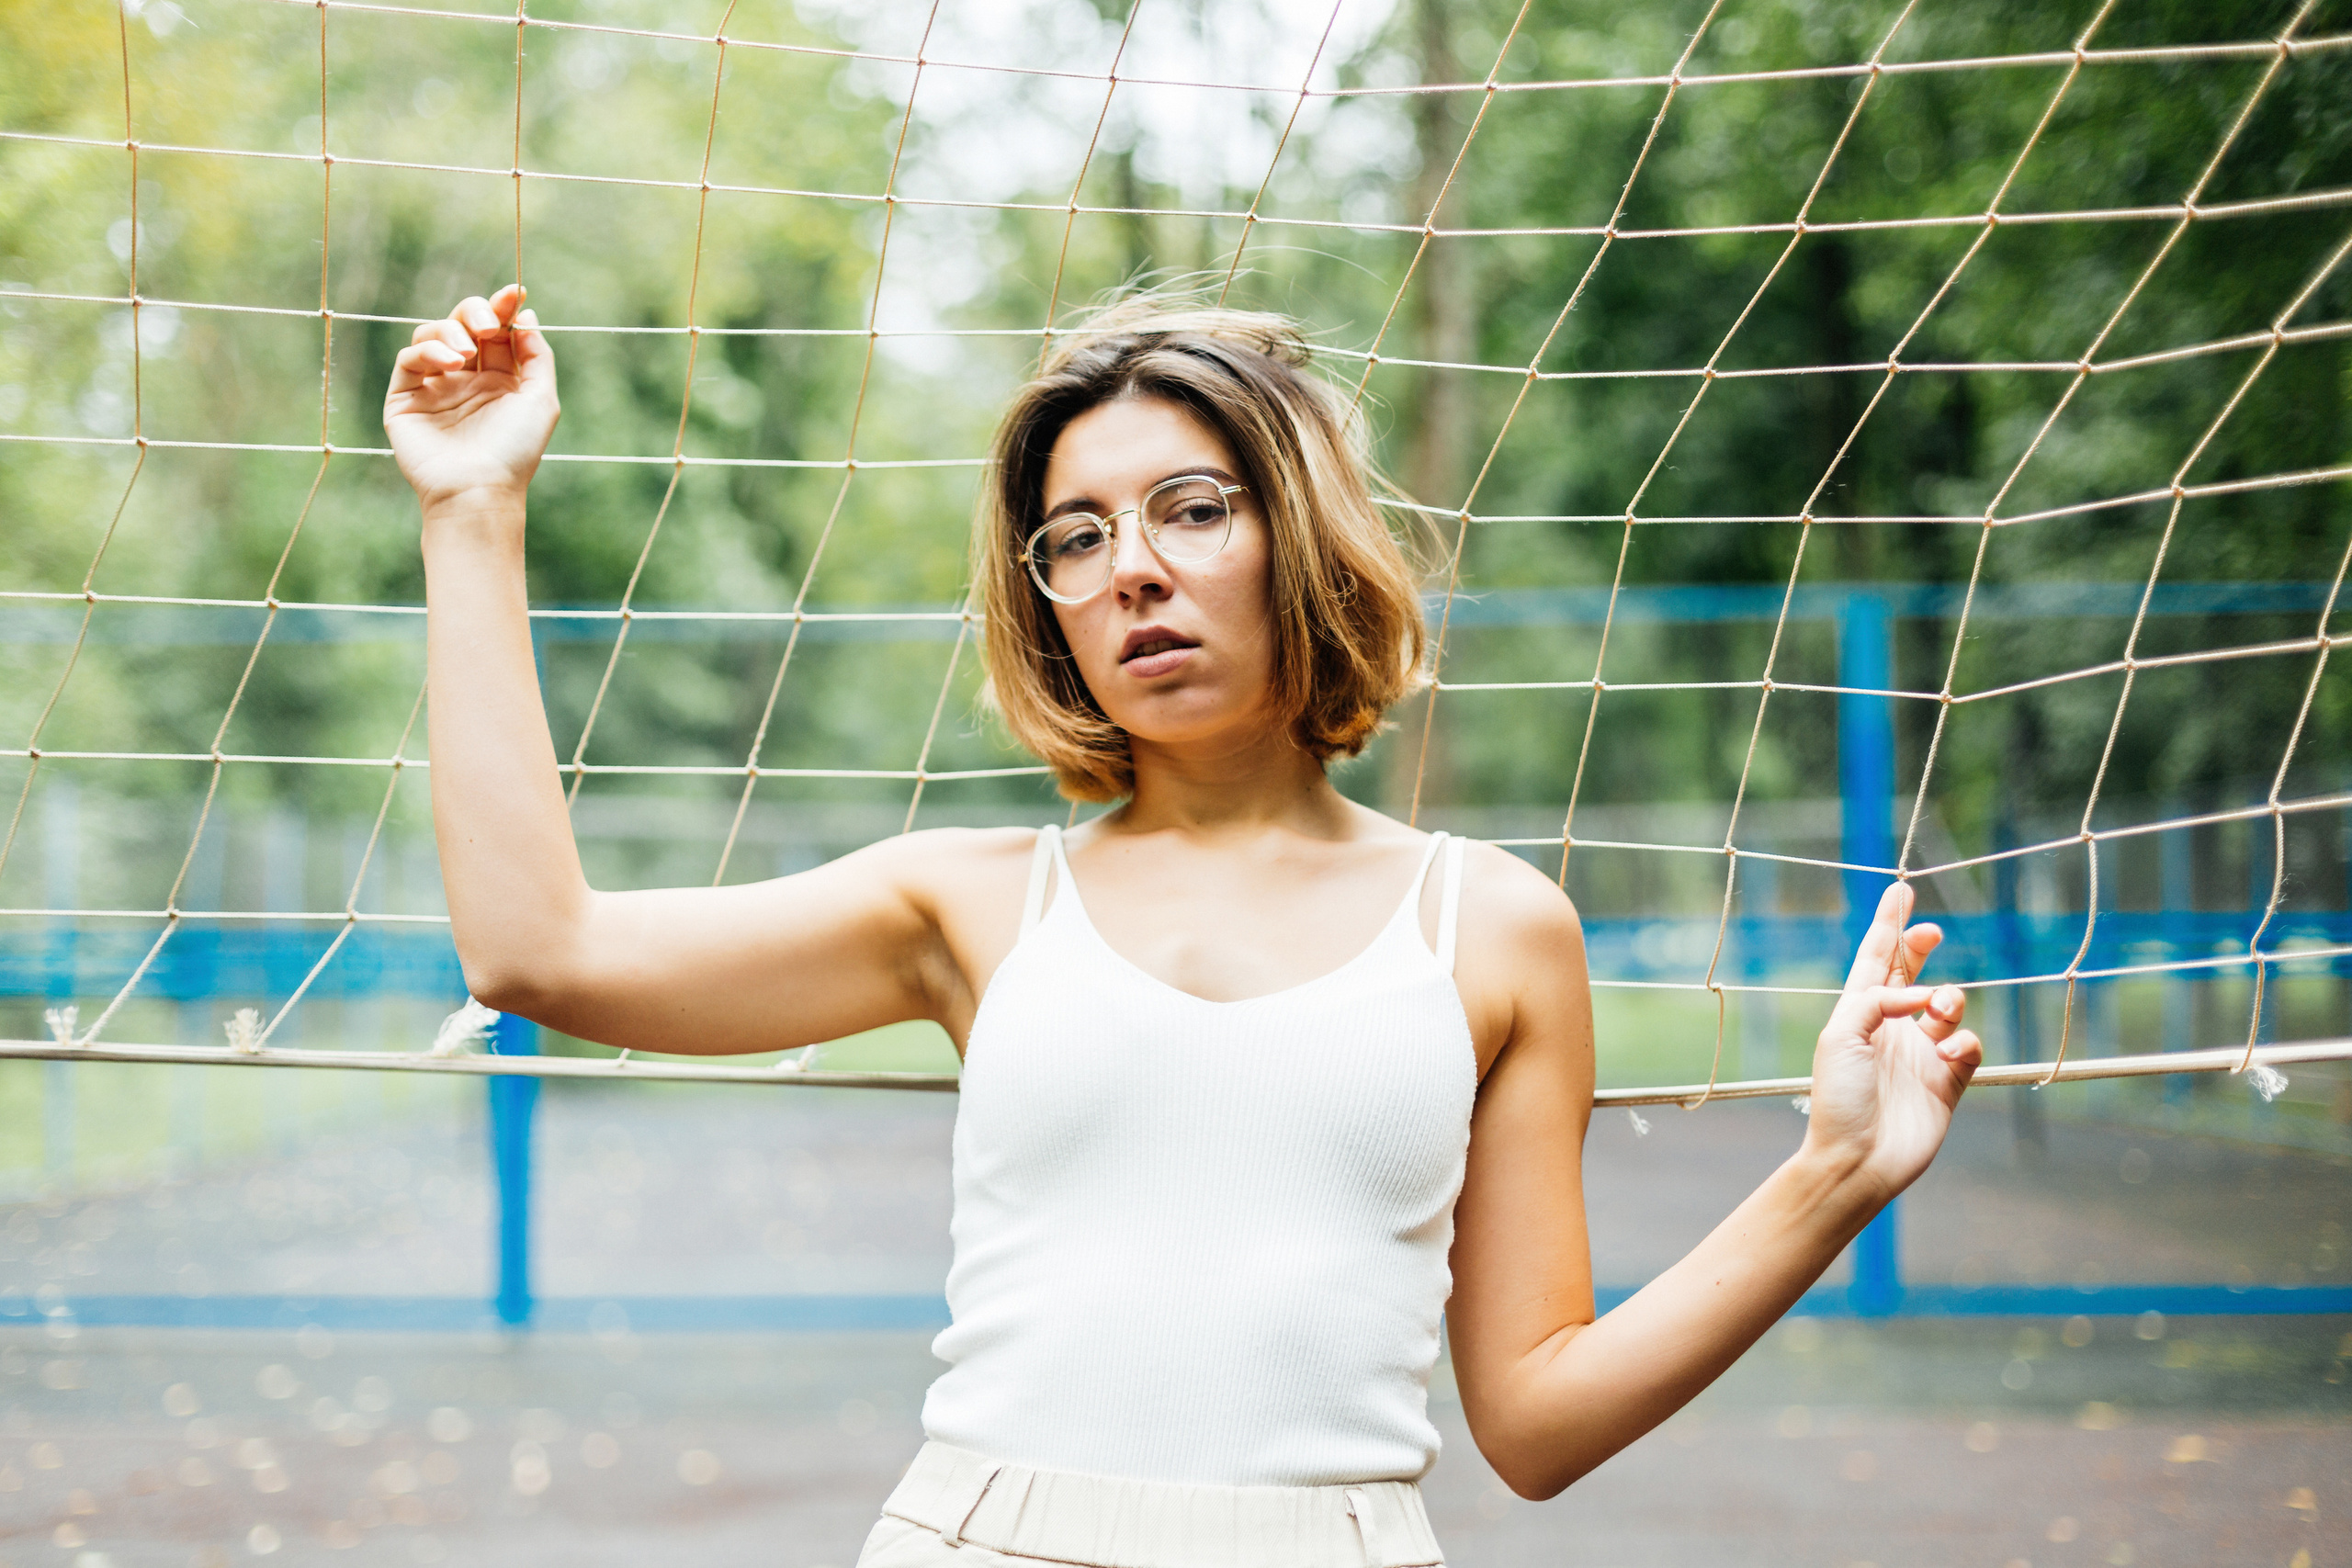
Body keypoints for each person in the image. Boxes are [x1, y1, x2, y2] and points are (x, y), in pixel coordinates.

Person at [385, 283, 1983, 1568]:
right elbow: (541, 951)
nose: (1131, 568)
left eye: (1192, 509)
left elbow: (1536, 1423)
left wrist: (1832, 1176)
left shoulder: (1493, 930)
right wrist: (472, 507)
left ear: (1301, 530)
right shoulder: (972, 901)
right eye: (1076, 538)